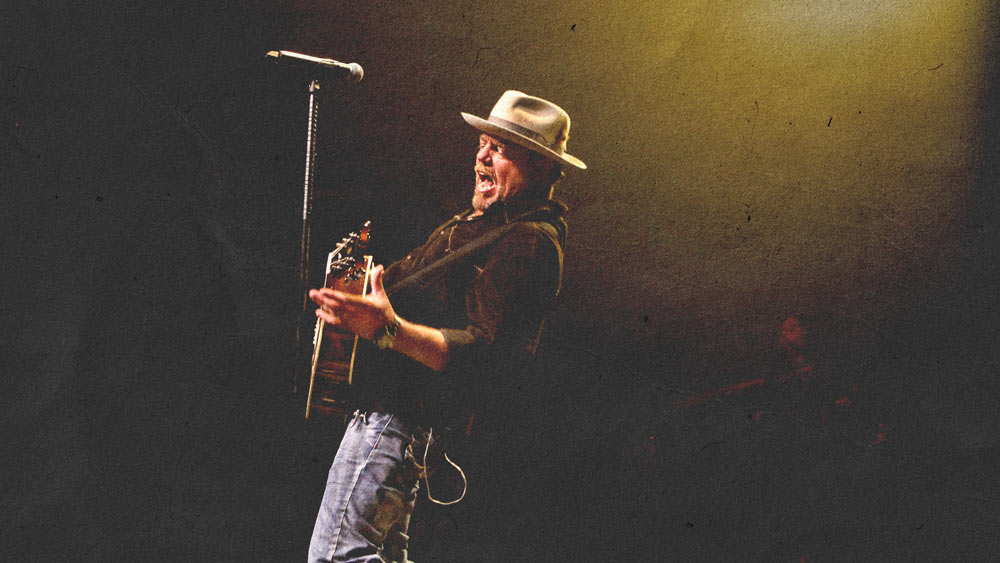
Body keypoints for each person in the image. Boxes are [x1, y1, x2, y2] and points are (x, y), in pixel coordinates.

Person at [306, 90, 586, 563]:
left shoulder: (528, 241)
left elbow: (487, 353)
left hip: (396, 421)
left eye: (500, 148)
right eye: (482, 142)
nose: (481, 155)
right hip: (392, 419)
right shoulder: (477, 225)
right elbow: (395, 290)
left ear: (540, 167)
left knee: (337, 558)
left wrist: (388, 329)